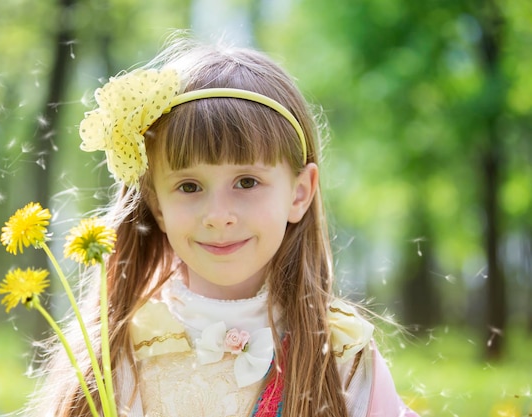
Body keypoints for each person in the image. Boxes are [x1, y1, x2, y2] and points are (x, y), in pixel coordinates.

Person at [26, 34, 419, 417]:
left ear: (299, 193)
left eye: (247, 182)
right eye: (189, 186)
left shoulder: (340, 353)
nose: (218, 214)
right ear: (157, 205)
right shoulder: (124, 352)